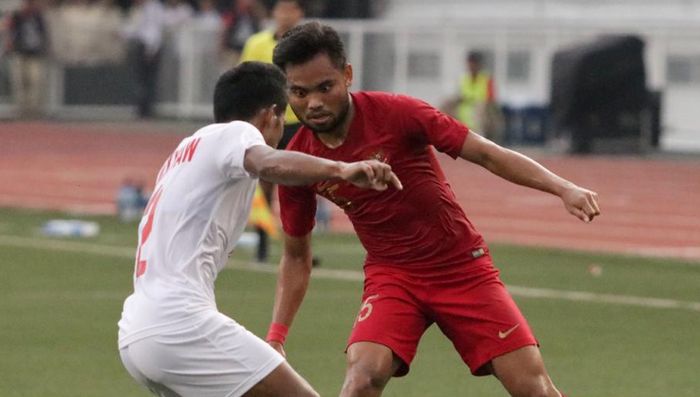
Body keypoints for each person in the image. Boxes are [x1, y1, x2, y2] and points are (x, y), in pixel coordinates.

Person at [266, 22, 601, 397]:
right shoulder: (298, 163)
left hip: (460, 267)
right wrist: (276, 337)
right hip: (392, 276)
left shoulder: (398, 113)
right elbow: (296, 257)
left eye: (324, 87)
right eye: (299, 92)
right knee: (361, 379)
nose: (313, 102)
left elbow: (488, 154)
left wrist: (563, 188)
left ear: (347, 75)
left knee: (532, 388)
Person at [117, 61, 402, 397]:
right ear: (271, 115)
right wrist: (341, 168)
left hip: (136, 330)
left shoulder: (184, 151)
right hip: (178, 324)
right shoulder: (238, 133)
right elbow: (266, 162)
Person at [239, 0, 305, 262]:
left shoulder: (307, 46)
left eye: (291, 9)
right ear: (274, 13)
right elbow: (243, 80)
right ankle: (262, 245)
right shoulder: (257, 44)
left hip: (297, 122)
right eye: (281, 9)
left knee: (301, 186)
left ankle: (300, 247)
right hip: (267, 124)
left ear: (299, 13)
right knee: (264, 185)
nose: (285, 15)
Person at [4, 0, 49, 118]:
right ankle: (20, 108)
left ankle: (34, 109)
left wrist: (44, 48)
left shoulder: (38, 17)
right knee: (19, 81)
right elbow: (9, 31)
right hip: (19, 52)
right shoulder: (17, 17)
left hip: (35, 53)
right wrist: (10, 44)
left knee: (35, 80)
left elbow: (43, 33)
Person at [121, 0, 166, 118]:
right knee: (140, 79)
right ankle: (141, 108)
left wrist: (152, 49)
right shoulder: (140, 9)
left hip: (151, 47)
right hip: (141, 45)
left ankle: (148, 109)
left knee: (149, 80)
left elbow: (156, 30)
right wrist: (122, 33)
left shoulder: (155, 8)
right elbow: (136, 29)